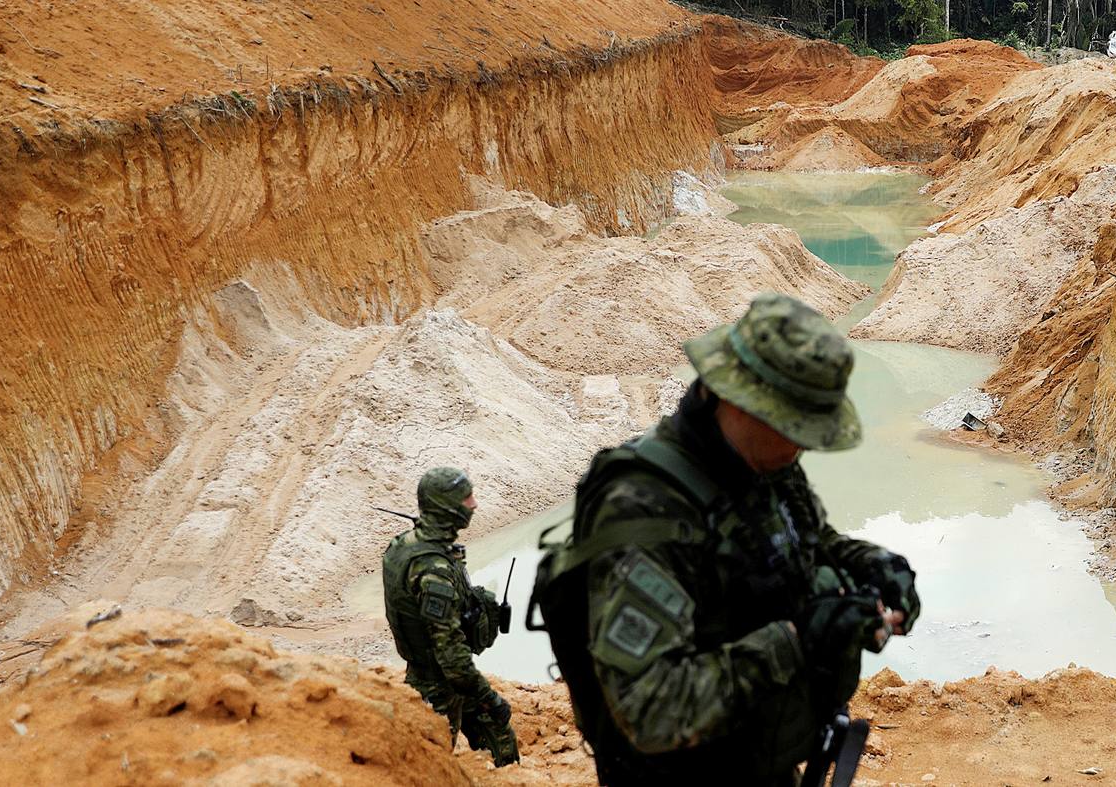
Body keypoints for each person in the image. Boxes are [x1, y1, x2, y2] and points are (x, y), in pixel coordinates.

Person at [563, 293, 921, 785]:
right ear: (738, 398)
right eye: (793, 427)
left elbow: (809, 538)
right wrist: (799, 640)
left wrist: (875, 564)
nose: (800, 445)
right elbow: (650, 708)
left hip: (762, 762)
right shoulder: (643, 509)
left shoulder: (762, 461)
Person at [381, 467, 520, 766]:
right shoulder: (433, 570)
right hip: (438, 686)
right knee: (432, 763)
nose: (474, 505)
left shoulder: (408, 545)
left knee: (498, 734)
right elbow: (451, 657)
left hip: (443, 676)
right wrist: (490, 698)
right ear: (447, 507)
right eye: (466, 498)